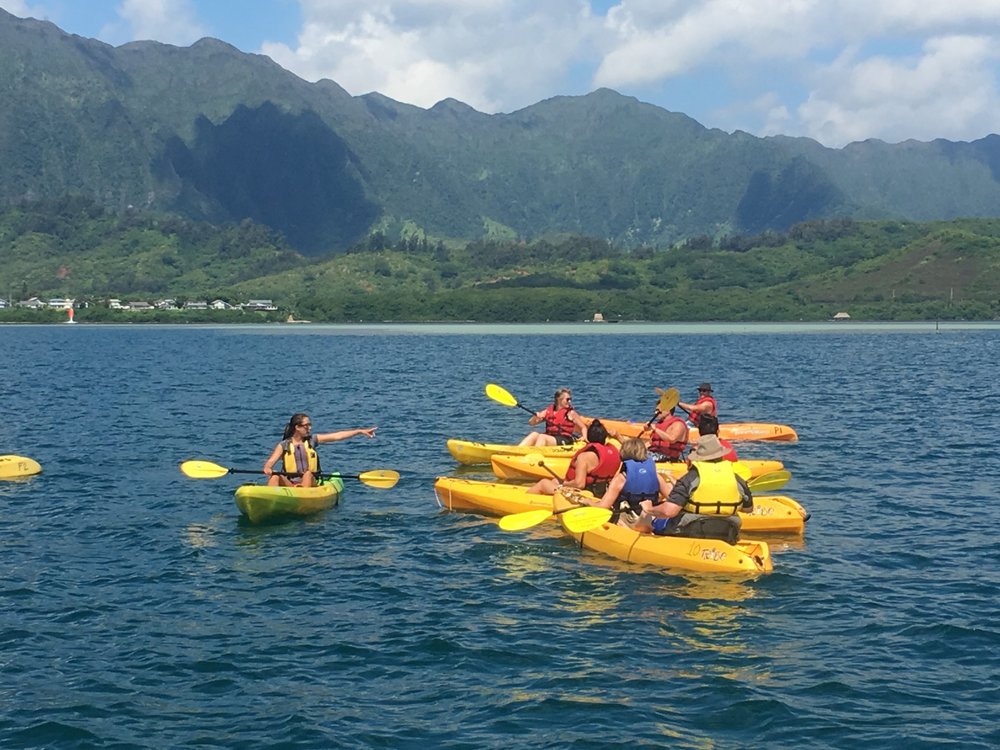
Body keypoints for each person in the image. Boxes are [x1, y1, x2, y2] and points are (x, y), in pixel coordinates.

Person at [643, 434, 752, 543]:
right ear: (721, 456)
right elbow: (748, 509)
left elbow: (669, 511)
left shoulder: (690, 478)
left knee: (656, 521)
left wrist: (649, 509)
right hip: (728, 531)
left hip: (692, 530)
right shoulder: (737, 479)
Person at [577, 438, 676, 528]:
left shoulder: (621, 479)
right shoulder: (656, 476)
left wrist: (587, 501)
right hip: (650, 519)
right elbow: (673, 500)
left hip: (628, 523)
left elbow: (603, 507)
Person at [263, 413, 377, 487]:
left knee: (307, 474)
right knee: (275, 476)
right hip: (291, 484)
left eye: (310, 425)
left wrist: (359, 431)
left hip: (312, 483)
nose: (310, 428)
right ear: (297, 427)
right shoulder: (284, 445)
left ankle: (303, 495)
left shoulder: (312, 440)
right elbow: (271, 461)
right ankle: (269, 500)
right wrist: (268, 468)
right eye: (306, 425)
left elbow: (337, 436)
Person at [527, 419, 620, 497]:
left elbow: (579, 484)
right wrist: (618, 436)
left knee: (543, 483)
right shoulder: (614, 453)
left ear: (588, 437)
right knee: (555, 481)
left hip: (583, 494)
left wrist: (564, 484)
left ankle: (526, 500)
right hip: (601, 493)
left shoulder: (584, 457)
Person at [518, 387, 587, 447]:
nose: (569, 401)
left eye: (570, 399)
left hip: (565, 439)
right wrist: (536, 417)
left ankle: (535, 454)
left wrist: (584, 437)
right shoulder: (548, 411)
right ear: (559, 400)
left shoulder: (571, 413)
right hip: (551, 437)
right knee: (534, 434)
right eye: (567, 399)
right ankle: (518, 450)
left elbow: (583, 427)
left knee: (542, 437)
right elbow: (531, 423)